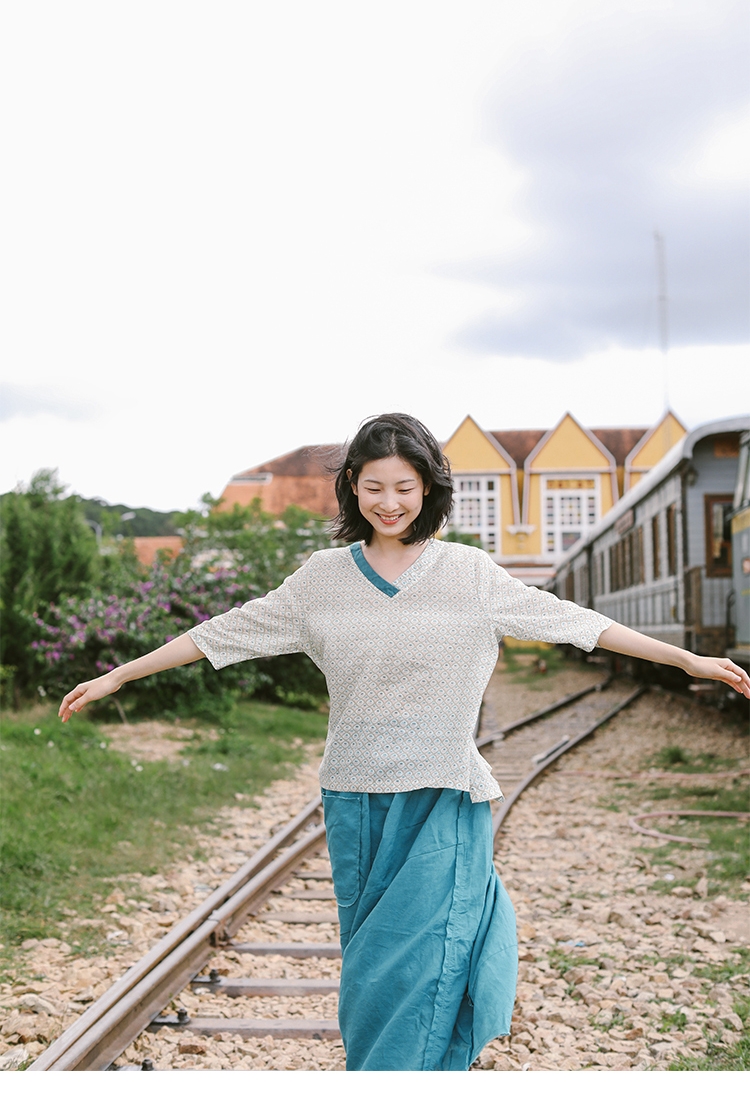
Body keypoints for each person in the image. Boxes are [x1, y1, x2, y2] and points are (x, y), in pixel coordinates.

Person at [59, 413, 750, 1071]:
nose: (389, 503)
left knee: (433, 961)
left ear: (427, 488)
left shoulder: (470, 576)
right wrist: (122, 672)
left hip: (444, 792)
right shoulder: (320, 580)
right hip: (356, 799)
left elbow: (574, 620)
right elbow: (223, 633)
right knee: (372, 969)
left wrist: (684, 659)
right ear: (353, 486)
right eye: (375, 486)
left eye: (404, 487)